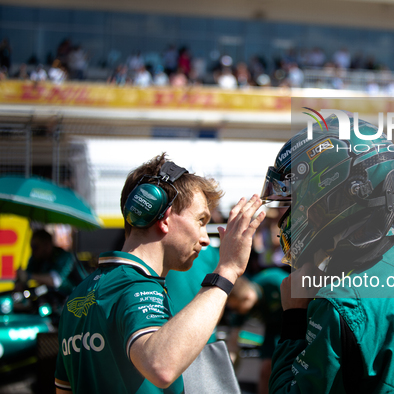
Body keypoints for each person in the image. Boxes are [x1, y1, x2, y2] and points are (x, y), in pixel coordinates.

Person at [261, 114, 394, 393]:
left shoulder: (340, 304)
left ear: (335, 193)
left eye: (296, 201)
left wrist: (295, 316)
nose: (288, 215)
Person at [55, 153, 265, 393]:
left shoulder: (77, 295)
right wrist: (227, 270)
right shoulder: (138, 287)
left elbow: (64, 389)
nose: (205, 238)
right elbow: (161, 366)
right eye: (200, 220)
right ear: (164, 217)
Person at [226, 267, 289, 394]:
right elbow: (233, 341)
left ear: (247, 297)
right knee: (265, 369)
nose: (236, 312)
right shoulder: (241, 303)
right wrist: (226, 367)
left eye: (237, 308)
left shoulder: (275, 283)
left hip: (295, 323)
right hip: (273, 328)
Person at [15, 229, 78, 296]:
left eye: (35, 247)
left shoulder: (64, 256)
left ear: (46, 245)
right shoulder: (35, 258)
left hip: (71, 298)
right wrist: (20, 281)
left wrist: (29, 276)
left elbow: (55, 281)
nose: (32, 251)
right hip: (49, 298)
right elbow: (25, 276)